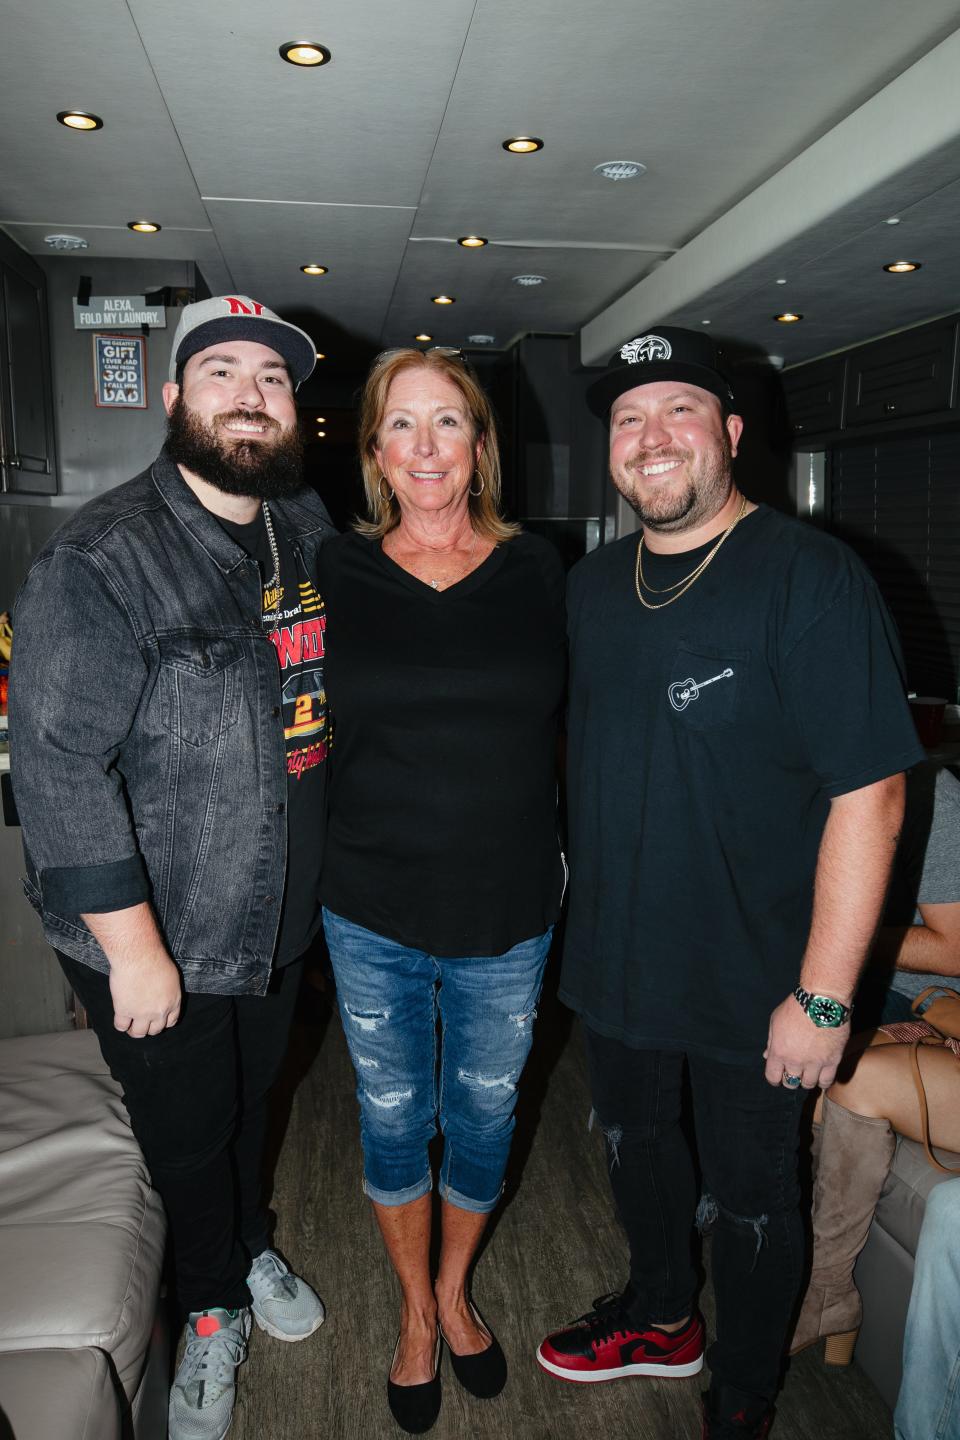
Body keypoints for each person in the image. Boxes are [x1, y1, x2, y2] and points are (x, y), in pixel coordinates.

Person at [534, 327, 923, 1438]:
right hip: (616, 954)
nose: (653, 439)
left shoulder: (810, 578)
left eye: (680, 413)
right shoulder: (594, 587)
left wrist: (824, 994)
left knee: (755, 1198)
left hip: (762, 971)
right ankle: (661, 1311)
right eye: (628, 419)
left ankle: (745, 1395)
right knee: (634, 1147)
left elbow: (873, 795)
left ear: (731, 434)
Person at [9, 295, 333, 1440]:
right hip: (159, 928)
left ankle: (245, 1248)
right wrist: (134, 950)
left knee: (253, 1100)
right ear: (174, 398)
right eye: (222, 372)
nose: (249, 394)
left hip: (276, 907)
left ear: (294, 410)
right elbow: (53, 769)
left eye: (272, 379)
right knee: (187, 1132)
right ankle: (207, 1311)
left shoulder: (301, 526)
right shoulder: (101, 558)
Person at [317, 347, 566, 1433]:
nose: (426, 448)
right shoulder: (333, 570)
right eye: (402, 426)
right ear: (373, 451)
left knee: (483, 1113)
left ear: (480, 444)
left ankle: (458, 1289)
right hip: (367, 899)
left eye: (448, 422)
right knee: (390, 1115)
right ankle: (416, 1313)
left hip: (508, 905)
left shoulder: (543, 571)